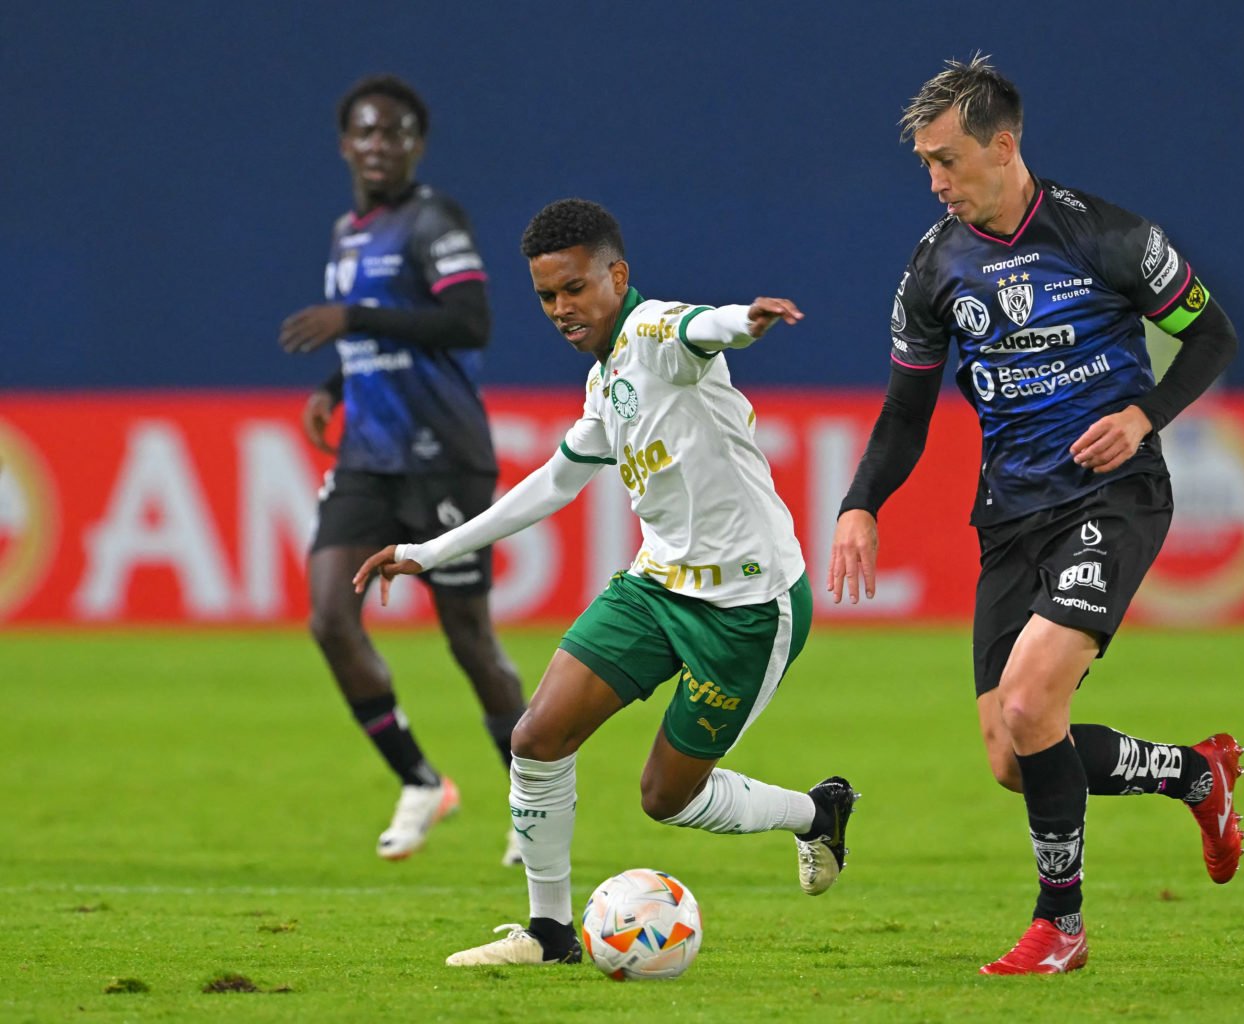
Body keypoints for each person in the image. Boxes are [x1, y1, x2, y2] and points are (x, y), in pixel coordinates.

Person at [353, 198, 858, 968]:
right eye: (547, 296)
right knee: (536, 737)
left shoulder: (654, 332)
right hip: (658, 587)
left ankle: (817, 812)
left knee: (668, 798)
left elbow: (699, 328)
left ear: (616, 276)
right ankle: (550, 934)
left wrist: (743, 320)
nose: (561, 308)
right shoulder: (606, 381)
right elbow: (555, 483)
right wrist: (428, 551)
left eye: (575, 288)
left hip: (748, 608)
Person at [828, 56, 1244, 975]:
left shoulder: (1110, 238)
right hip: (1011, 517)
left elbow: (1212, 334)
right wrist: (861, 504)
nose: (935, 182)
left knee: (1029, 700)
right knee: (1013, 754)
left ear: (1004, 146)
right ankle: (1193, 774)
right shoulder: (935, 267)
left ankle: (1062, 922)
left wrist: (1144, 416)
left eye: (946, 160)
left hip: (1115, 495)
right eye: (926, 166)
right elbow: (906, 414)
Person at [278, 74, 527, 865]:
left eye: (393, 133)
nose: (378, 145)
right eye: (365, 132)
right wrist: (335, 384)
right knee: (327, 617)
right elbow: (379, 345)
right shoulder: (348, 231)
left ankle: (532, 803)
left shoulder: (433, 220)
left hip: (443, 459)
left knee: (468, 640)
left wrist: (352, 318)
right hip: (368, 461)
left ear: (415, 143)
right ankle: (421, 780)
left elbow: (468, 321)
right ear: (345, 143)